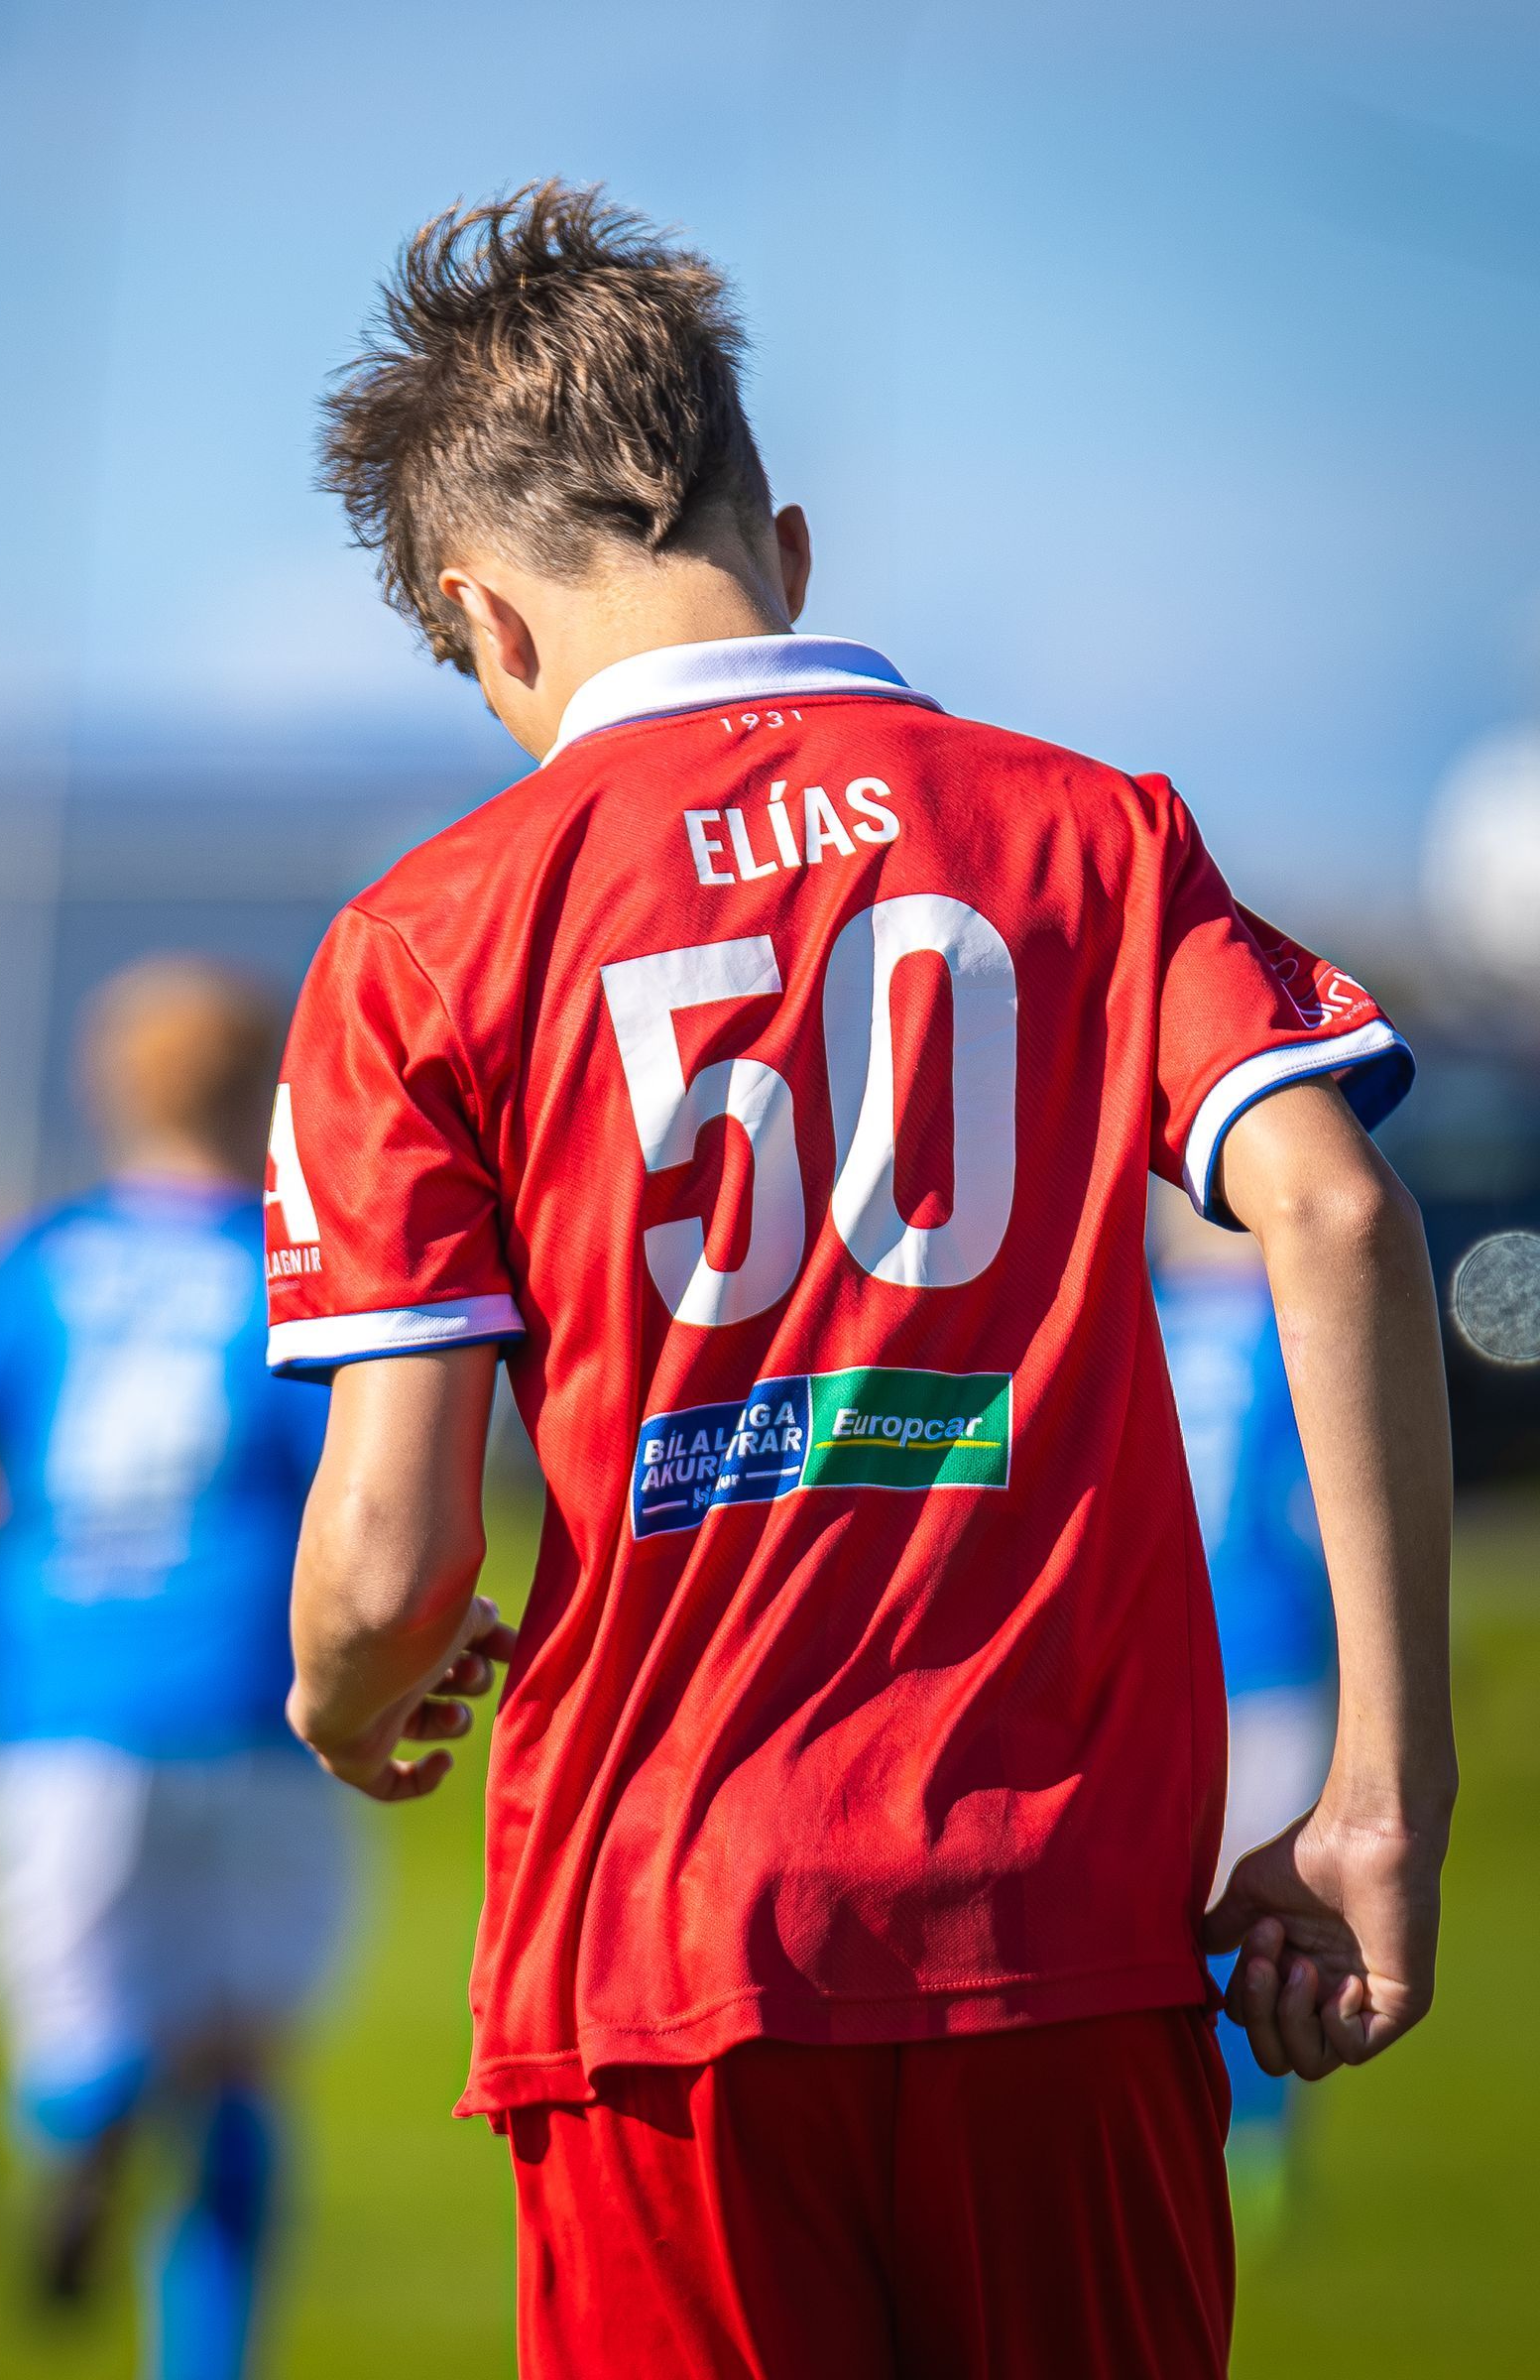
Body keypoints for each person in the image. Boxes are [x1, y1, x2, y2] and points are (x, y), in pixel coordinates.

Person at [264, 183, 1457, 2379]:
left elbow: (388, 1564)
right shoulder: (1093, 830)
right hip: (1063, 1934)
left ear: (483, 623)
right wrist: (1385, 1797)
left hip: (661, 1958)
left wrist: (348, 1697)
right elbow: (1342, 1214)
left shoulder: (420, 942)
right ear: (787, 548)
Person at [0, 957, 345, 2380]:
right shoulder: (290, 1264)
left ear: (106, 1089)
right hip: (249, 1687)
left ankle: (95, 2107)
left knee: (78, 2025)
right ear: (270, 1087)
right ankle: (202, 2361)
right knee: (242, 2059)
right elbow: (352, 1481)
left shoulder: (28, 1263)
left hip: (59, 1683)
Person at [1152, 1188, 1338, 2243]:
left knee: (1196, 1922)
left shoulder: (1138, 1314)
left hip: (1179, 1661)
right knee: (1263, 1925)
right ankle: (1246, 2145)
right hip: (1263, 1657)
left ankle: (1220, 2146)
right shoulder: (1295, 1321)